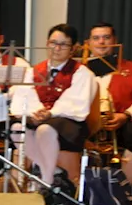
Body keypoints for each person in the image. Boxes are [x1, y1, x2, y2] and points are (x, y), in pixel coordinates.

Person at [10, 23, 96, 195]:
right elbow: (24, 95)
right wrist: (35, 112)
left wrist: (51, 113)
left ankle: (46, 181)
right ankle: (48, 171)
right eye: (53, 43)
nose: (57, 48)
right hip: (40, 117)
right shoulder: (34, 70)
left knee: (45, 129)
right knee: (17, 129)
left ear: (73, 48)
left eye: (63, 44)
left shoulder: (82, 73)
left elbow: (78, 101)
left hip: (69, 123)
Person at [85, 22, 132, 174]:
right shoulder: (77, 70)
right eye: (96, 38)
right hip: (87, 124)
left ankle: (126, 185)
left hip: (123, 125)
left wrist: (126, 115)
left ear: (115, 41)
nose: (101, 42)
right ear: (88, 43)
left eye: (106, 37)